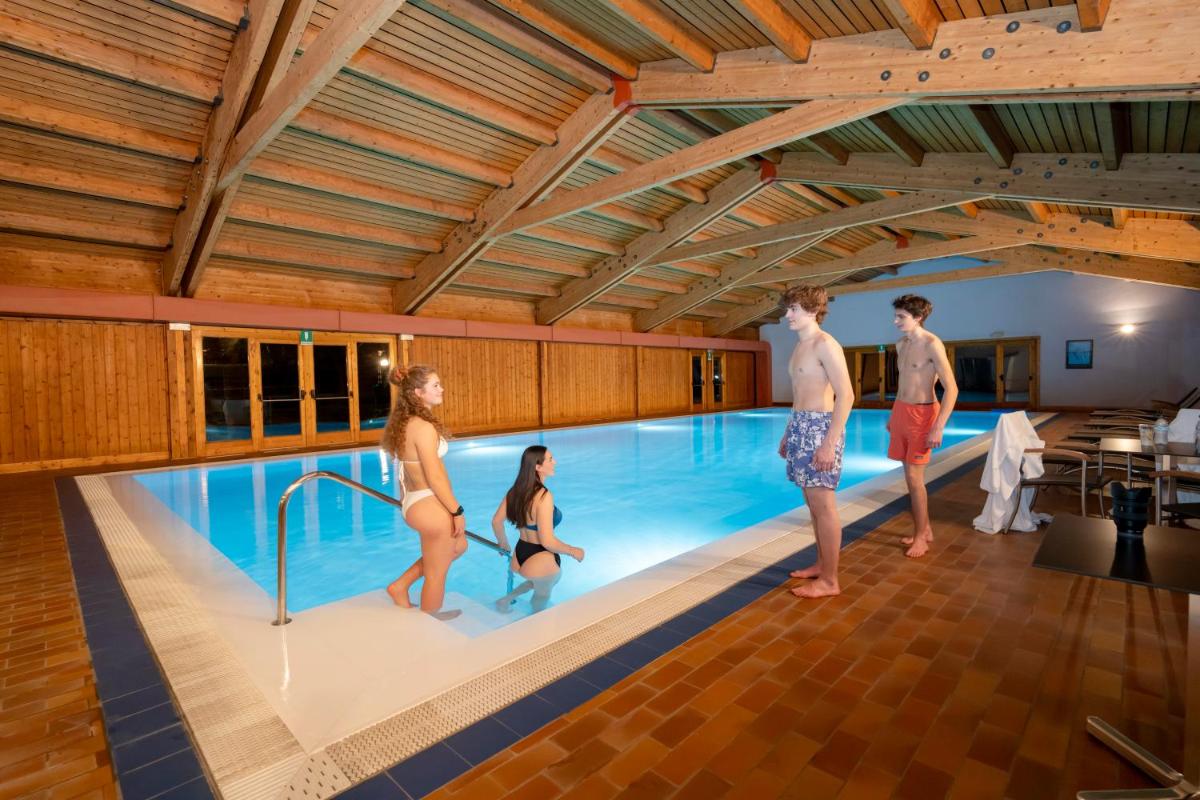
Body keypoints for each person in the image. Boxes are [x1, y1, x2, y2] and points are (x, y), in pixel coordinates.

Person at [778, 285, 853, 599]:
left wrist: (828, 444)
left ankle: (830, 581)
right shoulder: (800, 346)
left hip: (821, 429)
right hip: (801, 426)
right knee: (812, 505)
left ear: (812, 309)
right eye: (787, 308)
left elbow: (846, 395)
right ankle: (822, 564)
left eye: (793, 309)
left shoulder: (825, 344)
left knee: (824, 506)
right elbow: (799, 395)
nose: (787, 315)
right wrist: (789, 432)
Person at [380, 364, 467, 619]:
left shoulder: (405, 423)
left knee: (458, 546)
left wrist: (408, 502)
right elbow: (435, 477)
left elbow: (406, 471)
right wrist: (456, 511)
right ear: (418, 392)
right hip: (427, 502)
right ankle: (430, 621)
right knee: (436, 574)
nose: (442, 389)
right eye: (435, 385)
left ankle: (400, 585)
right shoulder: (424, 428)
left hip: (415, 500)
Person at [887, 294, 959, 559]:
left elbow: (952, 388)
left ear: (918, 317)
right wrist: (894, 415)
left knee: (915, 479)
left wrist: (938, 426)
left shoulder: (932, 344)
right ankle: (924, 528)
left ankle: (920, 537)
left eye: (901, 317)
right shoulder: (901, 344)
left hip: (923, 414)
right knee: (908, 477)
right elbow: (903, 383)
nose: (895, 321)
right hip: (901, 412)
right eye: (895, 316)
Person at [490, 446, 584, 612]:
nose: (555, 462)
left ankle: (506, 600)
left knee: (540, 581)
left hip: (520, 553)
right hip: (540, 556)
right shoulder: (543, 496)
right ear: (538, 466)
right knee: (541, 598)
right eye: (550, 459)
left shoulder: (515, 491)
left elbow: (496, 521)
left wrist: (503, 543)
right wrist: (572, 550)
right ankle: (534, 623)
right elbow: (547, 541)